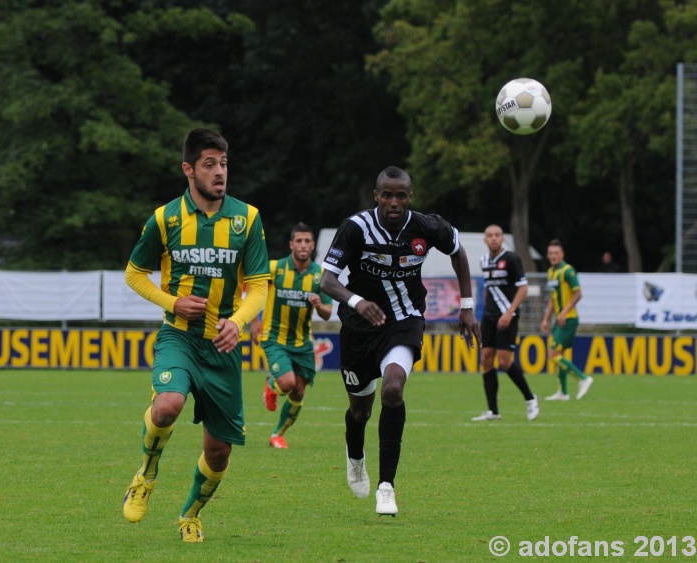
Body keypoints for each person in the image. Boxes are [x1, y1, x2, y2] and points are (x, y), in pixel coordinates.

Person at [121, 128, 270, 543]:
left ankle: (190, 513)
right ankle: (146, 473)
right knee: (167, 405)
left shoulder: (248, 218)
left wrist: (237, 322)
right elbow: (135, 274)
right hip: (179, 337)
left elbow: (258, 284)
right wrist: (171, 302)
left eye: (223, 163)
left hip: (221, 348)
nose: (219, 171)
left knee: (219, 452)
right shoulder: (165, 218)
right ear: (189, 169)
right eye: (209, 164)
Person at [320, 166, 481, 516]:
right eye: (387, 195)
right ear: (376, 196)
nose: (394, 202)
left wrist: (466, 306)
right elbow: (327, 281)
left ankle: (386, 487)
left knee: (393, 389)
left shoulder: (427, 226)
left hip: (405, 321)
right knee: (359, 411)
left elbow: (458, 251)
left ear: (410, 196)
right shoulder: (355, 229)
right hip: (359, 327)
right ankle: (356, 458)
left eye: (401, 195)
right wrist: (357, 301)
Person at [250, 223, 333, 449]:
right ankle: (272, 385)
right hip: (274, 338)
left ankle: (277, 434)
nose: (303, 245)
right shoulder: (275, 268)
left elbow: (328, 313)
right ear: (291, 244)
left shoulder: (320, 275)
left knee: (299, 390)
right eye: (299, 241)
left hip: (303, 343)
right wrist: (254, 322)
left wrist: (318, 305)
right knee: (287, 383)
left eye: (307, 241)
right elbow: (251, 290)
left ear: (313, 245)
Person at [472, 224, 539, 422]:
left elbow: (523, 288)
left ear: (502, 239)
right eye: (490, 236)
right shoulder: (484, 260)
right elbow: (488, 288)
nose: (493, 238)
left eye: (497, 235)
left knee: (504, 361)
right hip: (489, 317)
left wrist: (509, 312)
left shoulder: (511, 258)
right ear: (485, 240)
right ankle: (493, 411)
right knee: (485, 360)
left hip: (507, 316)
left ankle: (530, 398)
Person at [541, 239, 594, 401]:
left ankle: (583, 378)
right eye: (551, 253)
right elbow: (553, 297)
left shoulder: (568, 271)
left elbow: (577, 294)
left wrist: (563, 313)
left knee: (553, 354)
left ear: (562, 254)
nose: (553, 256)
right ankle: (562, 392)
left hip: (569, 319)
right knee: (559, 354)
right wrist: (546, 319)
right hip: (560, 319)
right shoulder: (551, 272)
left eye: (556, 253)